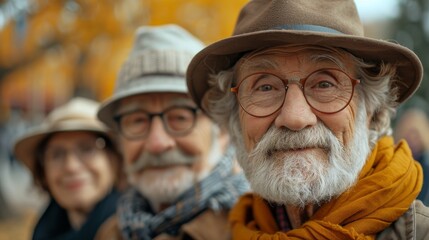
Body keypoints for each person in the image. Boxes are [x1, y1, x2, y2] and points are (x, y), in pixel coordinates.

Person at [186, 0, 429, 239]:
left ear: (371, 111)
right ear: (235, 120)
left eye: (325, 84)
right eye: (265, 87)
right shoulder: (217, 232)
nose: (295, 117)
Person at [95, 24, 249, 240]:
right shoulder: (109, 233)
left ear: (222, 131)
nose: (157, 143)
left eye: (180, 117)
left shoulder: (261, 226)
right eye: (137, 121)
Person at [13, 97, 123, 240]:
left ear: (114, 160)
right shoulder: (43, 230)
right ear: (43, 171)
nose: (71, 167)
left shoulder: (138, 230)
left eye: (87, 149)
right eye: (57, 154)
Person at [394, 96, 429, 205]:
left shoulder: (426, 166)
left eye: (416, 134)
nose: (412, 139)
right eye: (408, 133)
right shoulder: (396, 161)